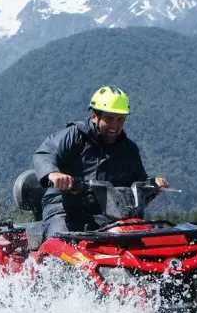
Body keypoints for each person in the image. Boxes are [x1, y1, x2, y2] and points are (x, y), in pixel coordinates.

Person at [32, 86, 169, 240]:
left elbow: (136, 190)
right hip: (63, 207)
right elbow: (45, 152)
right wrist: (53, 173)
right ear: (94, 116)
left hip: (107, 213)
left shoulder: (129, 150)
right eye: (109, 118)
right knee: (63, 241)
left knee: (141, 242)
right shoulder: (75, 135)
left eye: (120, 119)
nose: (115, 126)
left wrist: (152, 187)